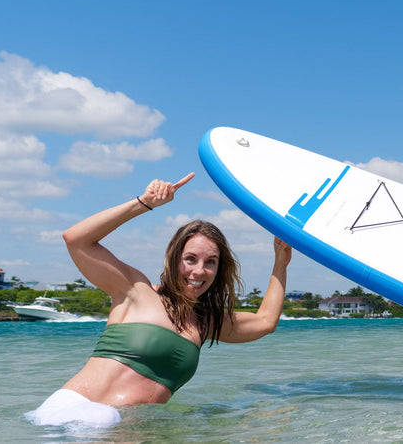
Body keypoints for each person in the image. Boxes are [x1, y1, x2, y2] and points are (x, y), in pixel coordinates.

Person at [26, 172, 293, 427]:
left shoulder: (205, 322)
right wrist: (145, 203)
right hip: (81, 414)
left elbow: (265, 321)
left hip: (126, 428)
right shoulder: (136, 290)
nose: (199, 271)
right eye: (190, 259)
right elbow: (76, 240)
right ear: (173, 258)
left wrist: (280, 261)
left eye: (210, 262)